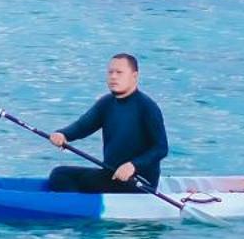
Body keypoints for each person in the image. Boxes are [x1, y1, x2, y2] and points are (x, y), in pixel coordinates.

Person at [45, 53, 169, 193]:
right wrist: (63, 134)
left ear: (134, 76)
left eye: (119, 72)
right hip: (111, 175)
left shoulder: (147, 107)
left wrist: (133, 166)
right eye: (110, 72)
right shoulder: (106, 103)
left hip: (140, 181)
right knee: (59, 174)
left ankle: (74, 206)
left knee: (88, 181)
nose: (113, 77)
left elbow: (161, 148)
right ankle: (72, 205)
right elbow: (82, 126)